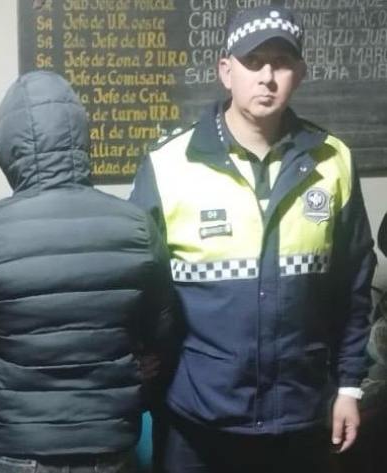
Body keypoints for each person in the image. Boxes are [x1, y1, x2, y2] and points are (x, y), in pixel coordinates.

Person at [129, 6, 377, 473]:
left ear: (299, 73)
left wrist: (349, 386)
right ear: (226, 71)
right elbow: (137, 283)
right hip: (195, 419)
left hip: (301, 416)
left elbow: (353, 287)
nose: (267, 77)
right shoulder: (169, 164)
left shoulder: (333, 161)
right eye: (253, 61)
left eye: (281, 63)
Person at [0, 70, 174, 473]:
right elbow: (161, 339)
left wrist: (0, 408)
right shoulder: (136, 228)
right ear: (80, 138)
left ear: (7, 148)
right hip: (108, 447)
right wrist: (128, 396)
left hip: (13, 449)